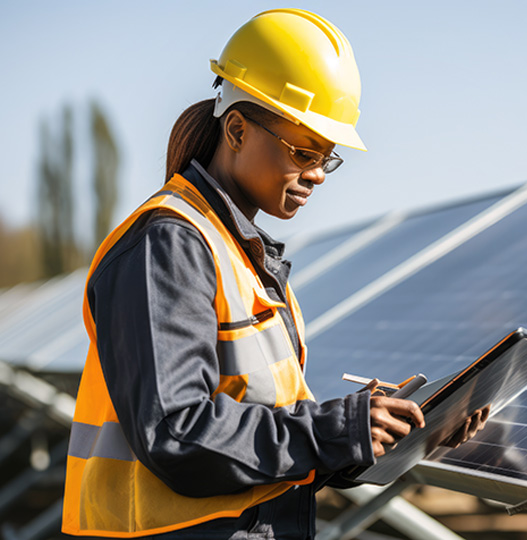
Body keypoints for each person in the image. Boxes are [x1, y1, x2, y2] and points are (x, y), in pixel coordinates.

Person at [62, 9, 488, 540]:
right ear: (237, 129)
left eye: (327, 158)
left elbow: (272, 443)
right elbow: (177, 432)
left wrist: (382, 428)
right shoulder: (169, 244)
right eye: (304, 151)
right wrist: (337, 429)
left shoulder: (245, 257)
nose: (316, 174)